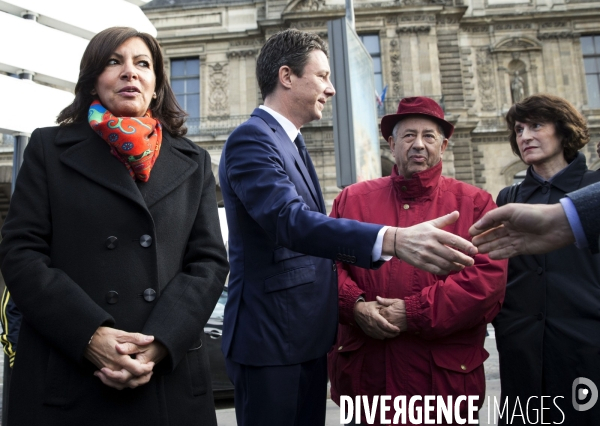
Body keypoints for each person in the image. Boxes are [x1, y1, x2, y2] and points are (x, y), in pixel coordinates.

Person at [218, 30, 478, 426]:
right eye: (322, 76)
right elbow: (290, 221)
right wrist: (392, 239)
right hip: (271, 340)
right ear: (287, 76)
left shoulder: (289, 142)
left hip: (300, 338)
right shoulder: (252, 139)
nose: (331, 89)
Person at [0, 27, 229, 426]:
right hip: (71, 376)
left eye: (143, 64)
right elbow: (21, 253)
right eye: (114, 61)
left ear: (156, 85)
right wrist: (91, 337)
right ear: (93, 80)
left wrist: (158, 343)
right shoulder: (48, 149)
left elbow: (208, 263)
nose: (130, 72)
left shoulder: (192, 161)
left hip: (166, 379)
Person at [327, 97, 507, 425]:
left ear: (444, 145)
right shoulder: (352, 201)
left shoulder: (476, 204)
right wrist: (355, 306)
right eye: (408, 136)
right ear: (392, 144)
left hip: (444, 385)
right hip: (368, 381)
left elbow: (486, 282)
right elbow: (327, 266)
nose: (418, 145)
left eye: (429, 136)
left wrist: (413, 313)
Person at [489, 94, 600, 424]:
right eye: (519, 129)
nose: (524, 136)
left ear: (564, 131)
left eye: (536, 125)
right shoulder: (508, 198)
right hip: (521, 350)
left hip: (586, 348)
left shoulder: (595, 190)